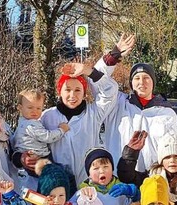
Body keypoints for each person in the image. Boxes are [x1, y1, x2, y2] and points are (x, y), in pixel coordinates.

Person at [95, 34, 177, 174]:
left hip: (154, 180)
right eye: (137, 78)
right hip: (119, 179)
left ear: (153, 82)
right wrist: (114, 54)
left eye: (146, 78)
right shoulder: (117, 104)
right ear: (131, 83)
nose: (142, 82)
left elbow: (174, 149)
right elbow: (97, 81)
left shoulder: (166, 113)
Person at [35, 55, 119, 185]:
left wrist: (87, 71)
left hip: (88, 184)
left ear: (84, 93)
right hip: (58, 186)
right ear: (59, 92)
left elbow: (110, 90)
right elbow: (32, 139)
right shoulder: (47, 116)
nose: (72, 95)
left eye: (78, 90)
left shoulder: (93, 113)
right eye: (67, 90)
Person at [10, 89, 70, 188]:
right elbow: (47, 137)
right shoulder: (31, 124)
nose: (35, 111)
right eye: (30, 107)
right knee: (62, 177)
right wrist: (62, 130)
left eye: (38, 108)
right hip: (39, 159)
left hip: (30, 160)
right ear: (20, 108)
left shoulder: (21, 123)